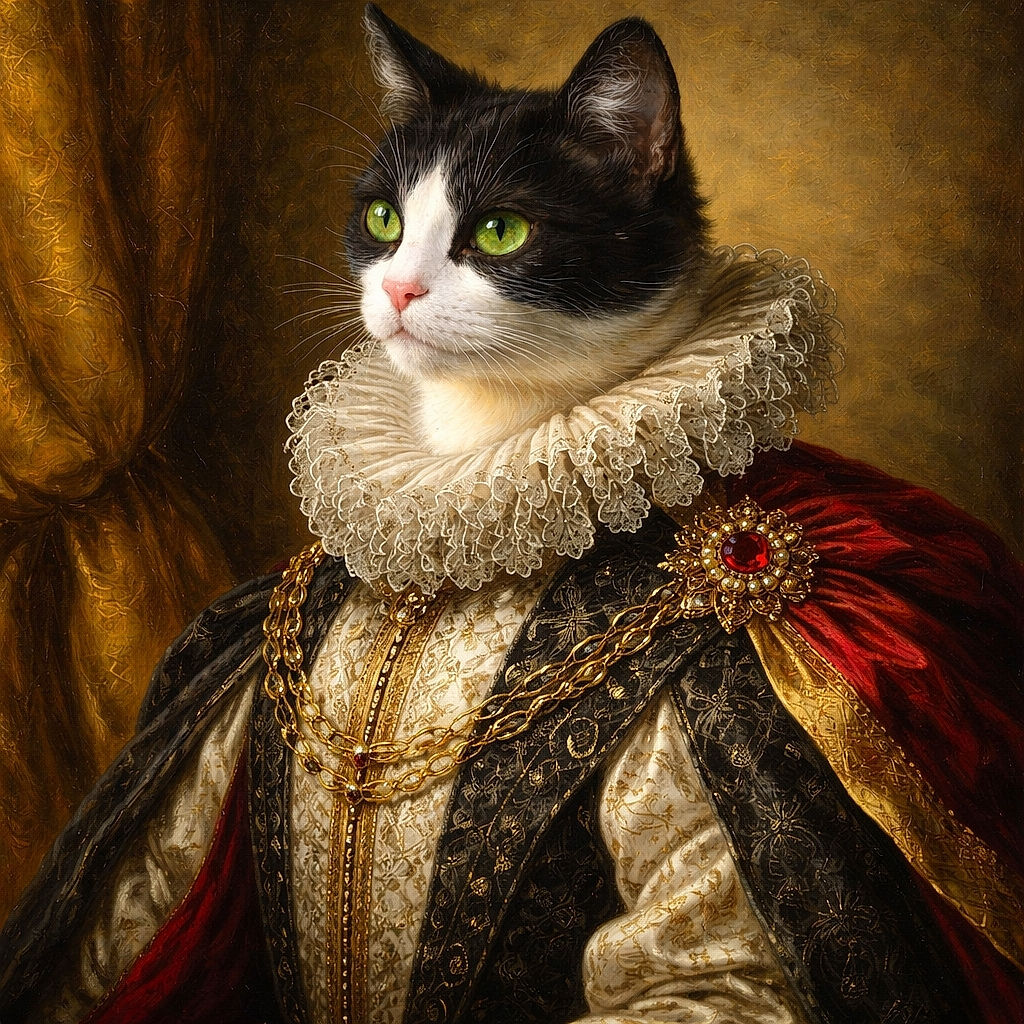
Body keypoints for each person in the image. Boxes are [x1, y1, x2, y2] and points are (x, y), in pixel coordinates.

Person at [1, 7, 1021, 1023]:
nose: (401, 284)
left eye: (493, 231)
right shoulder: (325, 584)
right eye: (390, 223)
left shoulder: (731, 607)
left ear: (637, 162)